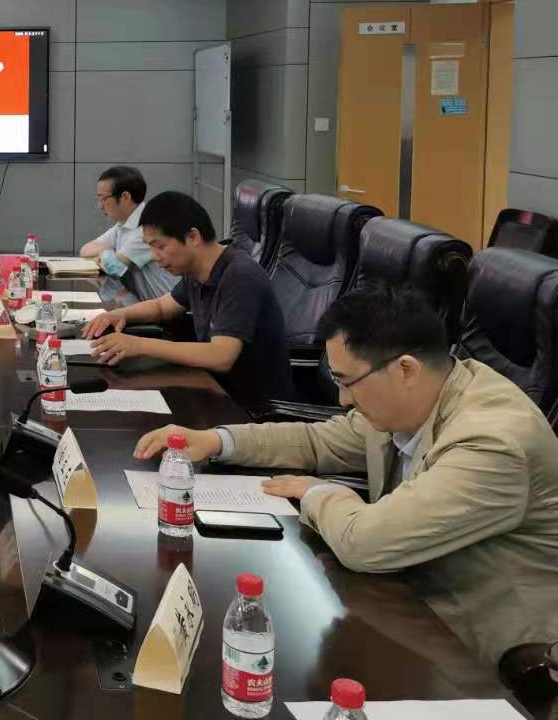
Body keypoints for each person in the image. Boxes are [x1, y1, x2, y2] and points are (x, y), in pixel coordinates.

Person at [134, 284, 558, 666]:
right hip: (403, 595)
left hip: (481, 652)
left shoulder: (493, 442)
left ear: (406, 369)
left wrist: (316, 492)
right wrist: (216, 440)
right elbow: (318, 440)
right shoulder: (413, 400)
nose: (342, 399)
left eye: (347, 382)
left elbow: (365, 542)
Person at [84, 190, 293, 407]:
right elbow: (162, 307)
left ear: (193, 237)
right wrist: (118, 314)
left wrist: (139, 345)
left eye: (160, 246)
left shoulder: (240, 276)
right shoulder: (196, 271)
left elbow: (221, 356)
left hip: (252, 408)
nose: (155, 257)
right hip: (214, 390)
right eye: (150, 247)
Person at [78, 166, 178, 301]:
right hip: (146, 304)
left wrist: (105, 256)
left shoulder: (147, 227)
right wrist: (105, 251)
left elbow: (112, 268)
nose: (100, 206)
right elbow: (85, 250)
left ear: (125, 197)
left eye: (103, 199)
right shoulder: (123, 224)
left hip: (170, 309)